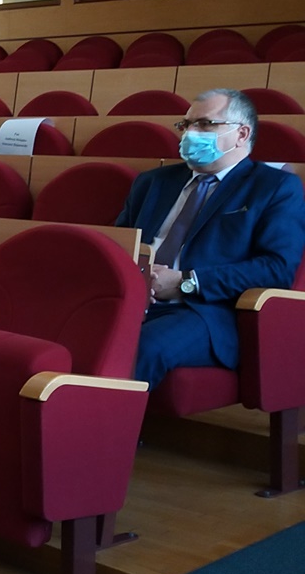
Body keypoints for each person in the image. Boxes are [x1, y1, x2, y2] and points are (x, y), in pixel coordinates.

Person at [115, 88, 305, 390]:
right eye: (186, 124)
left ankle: (103, 421)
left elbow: (276, 269)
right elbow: (117, 245)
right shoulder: (152, 182)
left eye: (204, 124)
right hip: (134, 299)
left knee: (139, 346)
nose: (190, 133)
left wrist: (185, 282)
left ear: (241, 134)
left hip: (206, 311)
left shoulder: (275, 188)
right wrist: (135, 278)